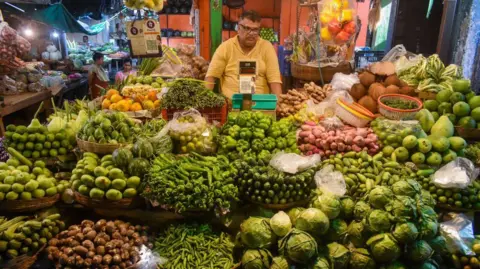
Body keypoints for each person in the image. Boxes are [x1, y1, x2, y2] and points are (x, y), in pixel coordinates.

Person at [205, 10, 282, 99]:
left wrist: (278, 106)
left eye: (255, 30)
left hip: (260, 106)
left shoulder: (267, 47)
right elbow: (211, 77)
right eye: (247, 28)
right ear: (238, 28)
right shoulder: (225, 48)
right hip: (231, 105)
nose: (251, 33)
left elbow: (275, 81)